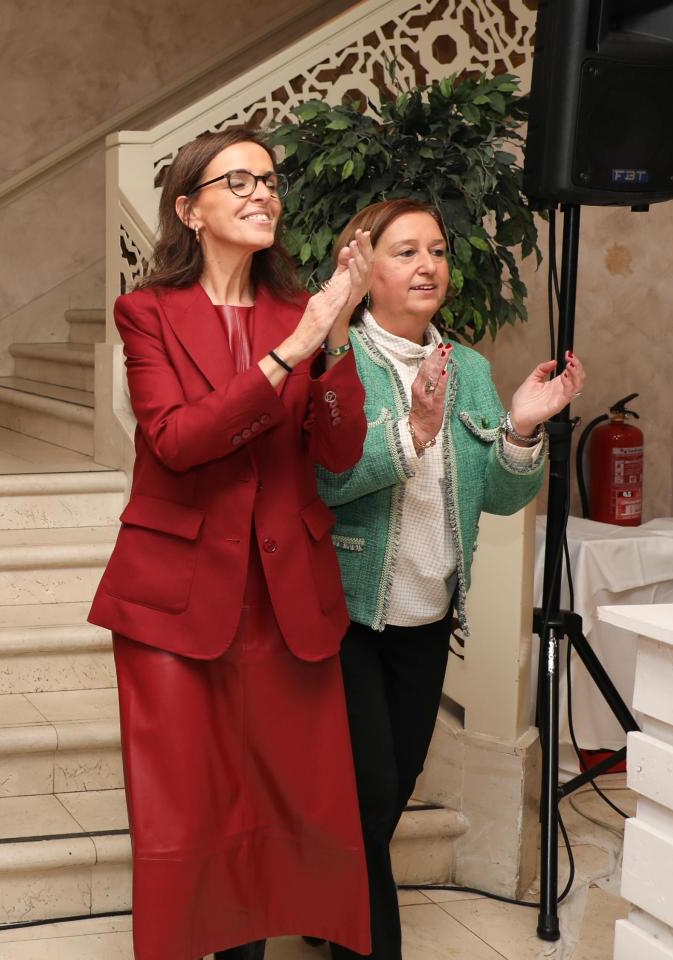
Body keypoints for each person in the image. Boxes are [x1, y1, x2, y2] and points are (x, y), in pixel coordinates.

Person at [87, 125, 375, 960]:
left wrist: (336, 340)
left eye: (270, 180)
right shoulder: (147, 313)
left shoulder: (304, 314)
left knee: (287, 802)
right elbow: (177, 441)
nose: (263, 194)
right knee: (187, 808)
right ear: (190, 209)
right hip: (176, 599)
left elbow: (339, 451)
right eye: (239, 181)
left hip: (288, 599)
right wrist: (294, 350)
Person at [317, 198, 585, 960]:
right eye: (405, 251)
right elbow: (327, 481)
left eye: (435, 250)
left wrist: (522, 428)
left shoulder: (467, 368)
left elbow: (498, 496)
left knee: (391, 789)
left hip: (430, 618)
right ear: (362, 268)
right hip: (345, 618)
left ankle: (322, 907)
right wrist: (412, 433)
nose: (428, 265)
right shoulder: (338, 361)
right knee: (370, 797)